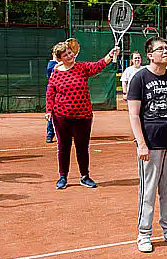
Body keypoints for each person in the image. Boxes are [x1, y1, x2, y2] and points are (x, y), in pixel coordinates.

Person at [128, 37, 167, 252]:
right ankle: (144, 234)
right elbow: (134, 115)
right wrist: (141, 144)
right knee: (148, 191)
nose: (166, 52)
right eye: (160, 49)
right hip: (150, 144)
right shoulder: (139, 78)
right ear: (150, 55)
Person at [44, 40, 120, 189]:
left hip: (83, 116)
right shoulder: (55, 73)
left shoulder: (82, 67)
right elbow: (50, 93)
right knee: (63, 147)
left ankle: (84, 176)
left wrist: (110, 55)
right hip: (61, 117)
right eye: (66, 55)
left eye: (70, 53)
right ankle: (63, 177)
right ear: (60, 58)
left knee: (82, 147)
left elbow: (98, 65)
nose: (70, 56)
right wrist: (49, 110)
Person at [45, 51, 59, 143]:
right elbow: (54, 68)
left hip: (64, 93)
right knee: (52, 114)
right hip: (53, 92)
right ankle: (50, 134)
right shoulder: (52, 64)